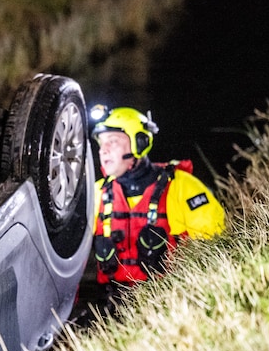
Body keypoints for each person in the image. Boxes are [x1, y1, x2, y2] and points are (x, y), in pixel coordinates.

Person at [89, 105, 225, 299]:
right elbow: (69, 258)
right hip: (111, 302)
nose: (104, 150)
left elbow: (214, 247)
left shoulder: (182, 187)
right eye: (101, 143)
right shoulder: (97, 193)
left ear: (140, 143)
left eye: (113, 141)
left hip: (168, 298)